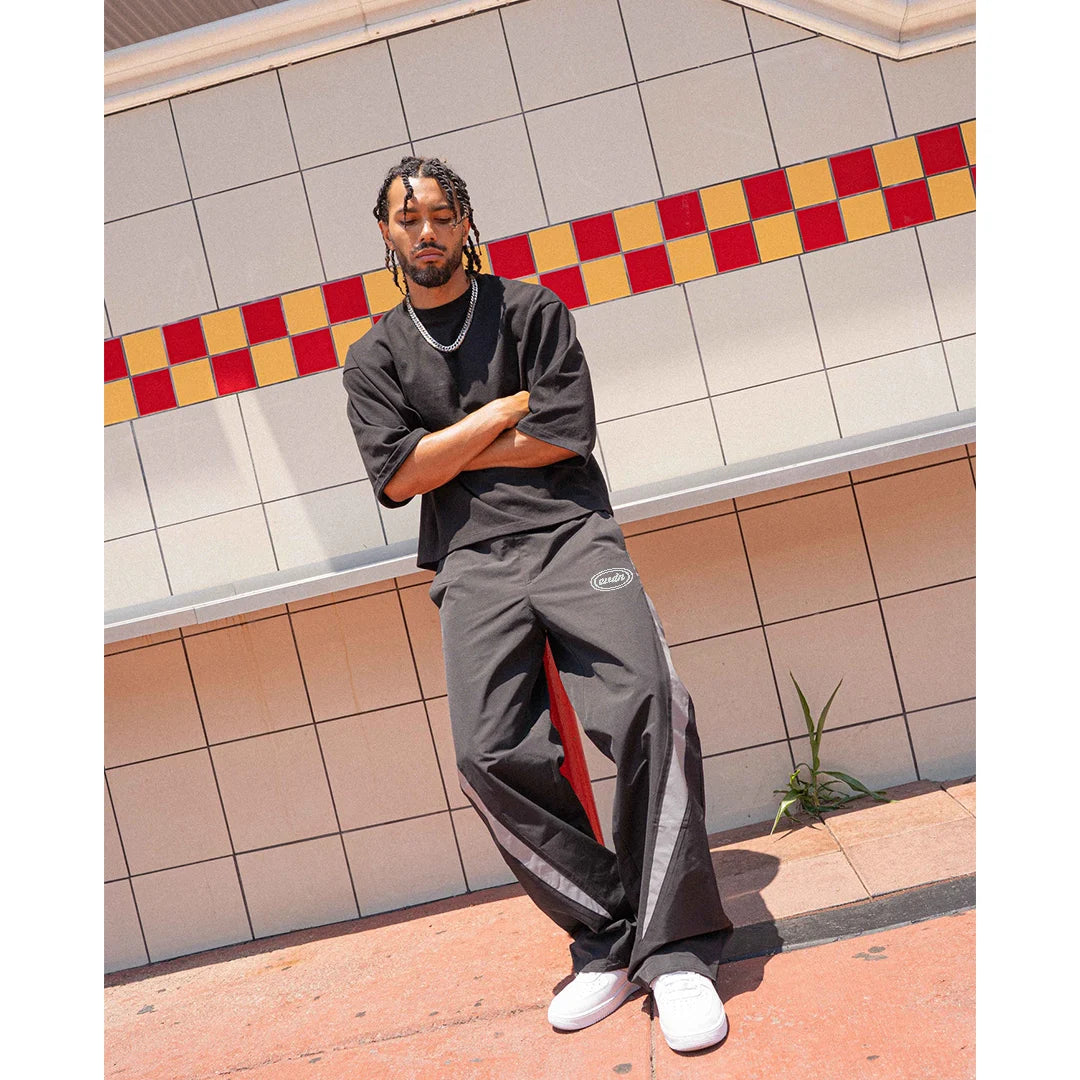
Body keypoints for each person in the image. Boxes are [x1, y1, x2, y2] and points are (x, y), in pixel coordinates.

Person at [342, 156, 734, 1053]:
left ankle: (676, 951)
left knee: (648, 706)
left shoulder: (531, 312)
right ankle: (606, 933)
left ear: (466, 221)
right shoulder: (372, 359)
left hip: (571, 535)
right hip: (470, 563)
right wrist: (491, 422)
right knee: (488, 754)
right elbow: (398, 479)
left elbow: (563, 431)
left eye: (442, 216)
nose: (427, 233)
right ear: (386, 234)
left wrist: (442, 447)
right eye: (410, 222)